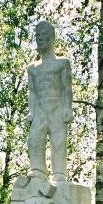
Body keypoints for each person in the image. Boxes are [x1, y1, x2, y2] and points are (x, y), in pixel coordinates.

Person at [27, 20, 73, 182]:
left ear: (52, 37)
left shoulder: (62, 63)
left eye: (44, 35)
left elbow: (67, 88)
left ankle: (59, 172)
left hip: (57, 107)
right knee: (34, 138)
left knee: (58, 141)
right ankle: (38, 169)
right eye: (38, 36)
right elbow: (32, 92)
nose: (40, 39)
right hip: (40, 109)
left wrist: (68, 108)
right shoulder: (32, 68)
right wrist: (31, 111)